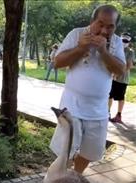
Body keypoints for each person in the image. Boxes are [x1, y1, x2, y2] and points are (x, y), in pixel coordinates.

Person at [50, 5, 126, 174]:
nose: (105, 30)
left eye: (110, 26)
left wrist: (103, 51)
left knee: (88, 153)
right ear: (92, 21)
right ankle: (58, 177)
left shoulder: (117, 42)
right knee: (65, 152)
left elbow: (120, 71)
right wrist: (81, 48)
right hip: (72, 108)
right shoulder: (76, 34)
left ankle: (76, 176)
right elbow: (57, 62)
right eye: (100, 24)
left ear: (115, 26)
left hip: (98, 111)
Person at [108, 33, 134, 123]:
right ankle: (107, 112)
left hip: (122, 78)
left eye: (126, 41)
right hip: (112, 77)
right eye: (123, 40)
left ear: (129, 42)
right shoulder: (115, 48)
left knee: (120, 97)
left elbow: (129, 65)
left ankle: (119, 115)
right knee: (109, 95)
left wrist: (118, 74)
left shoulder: (130, 52)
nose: (124, 42)